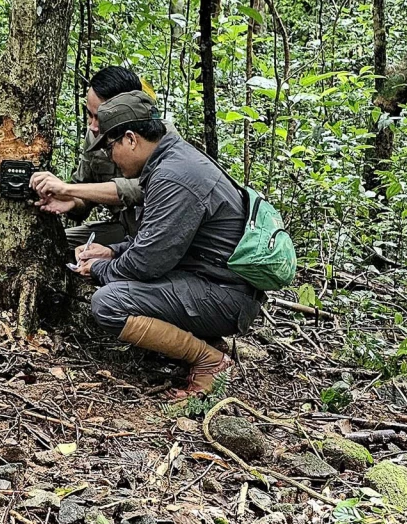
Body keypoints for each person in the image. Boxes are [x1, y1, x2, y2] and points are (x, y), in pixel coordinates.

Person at [73, 91, 261, 399]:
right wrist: (112, 251)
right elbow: (160, 239)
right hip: (215, 285)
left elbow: (148, 263)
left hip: (225, 295)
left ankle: (209, 361)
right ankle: (206, 345)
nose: (111, 158)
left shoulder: (174, 175)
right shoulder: (174, 160)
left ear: (131, 139)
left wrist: (101, 269)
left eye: (110, 148)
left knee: (109, 303)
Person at [30, 66, 167, 247]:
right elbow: (83, 191)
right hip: (123, 228)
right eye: (89, 115)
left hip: (159, 232)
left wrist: (67, 190)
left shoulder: (158, 135)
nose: (93, 126)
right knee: (54, 245)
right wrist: (71, 201)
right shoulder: (94, 135)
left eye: (100, 117)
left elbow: (144, 188)